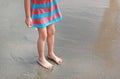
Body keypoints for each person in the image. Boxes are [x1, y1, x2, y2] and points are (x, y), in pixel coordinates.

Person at [24, 0, 63, 69]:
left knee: (51, 31)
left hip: (49, 6)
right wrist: (28, 17)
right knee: (43, 35)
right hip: (38, 9)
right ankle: (41, 58)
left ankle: (50, 53)